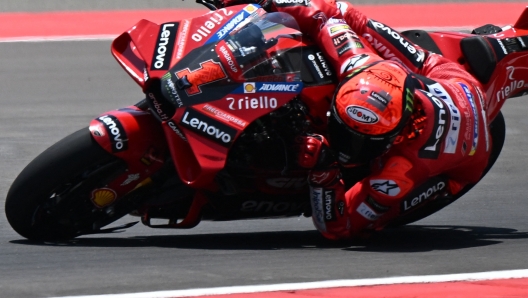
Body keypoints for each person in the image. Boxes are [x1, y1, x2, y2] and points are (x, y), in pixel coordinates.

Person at [216, 0, 499, 239]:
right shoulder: (359, 63)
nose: (347, 147)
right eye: (342, 130)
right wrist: (272, 2)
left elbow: (338, 228)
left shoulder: (400, 172)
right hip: (442, 76)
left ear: (396, 136)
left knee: (376, 216)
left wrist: (323, 175)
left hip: (461, 162)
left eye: (361, 141)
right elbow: (324, 15)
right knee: (350, 18)